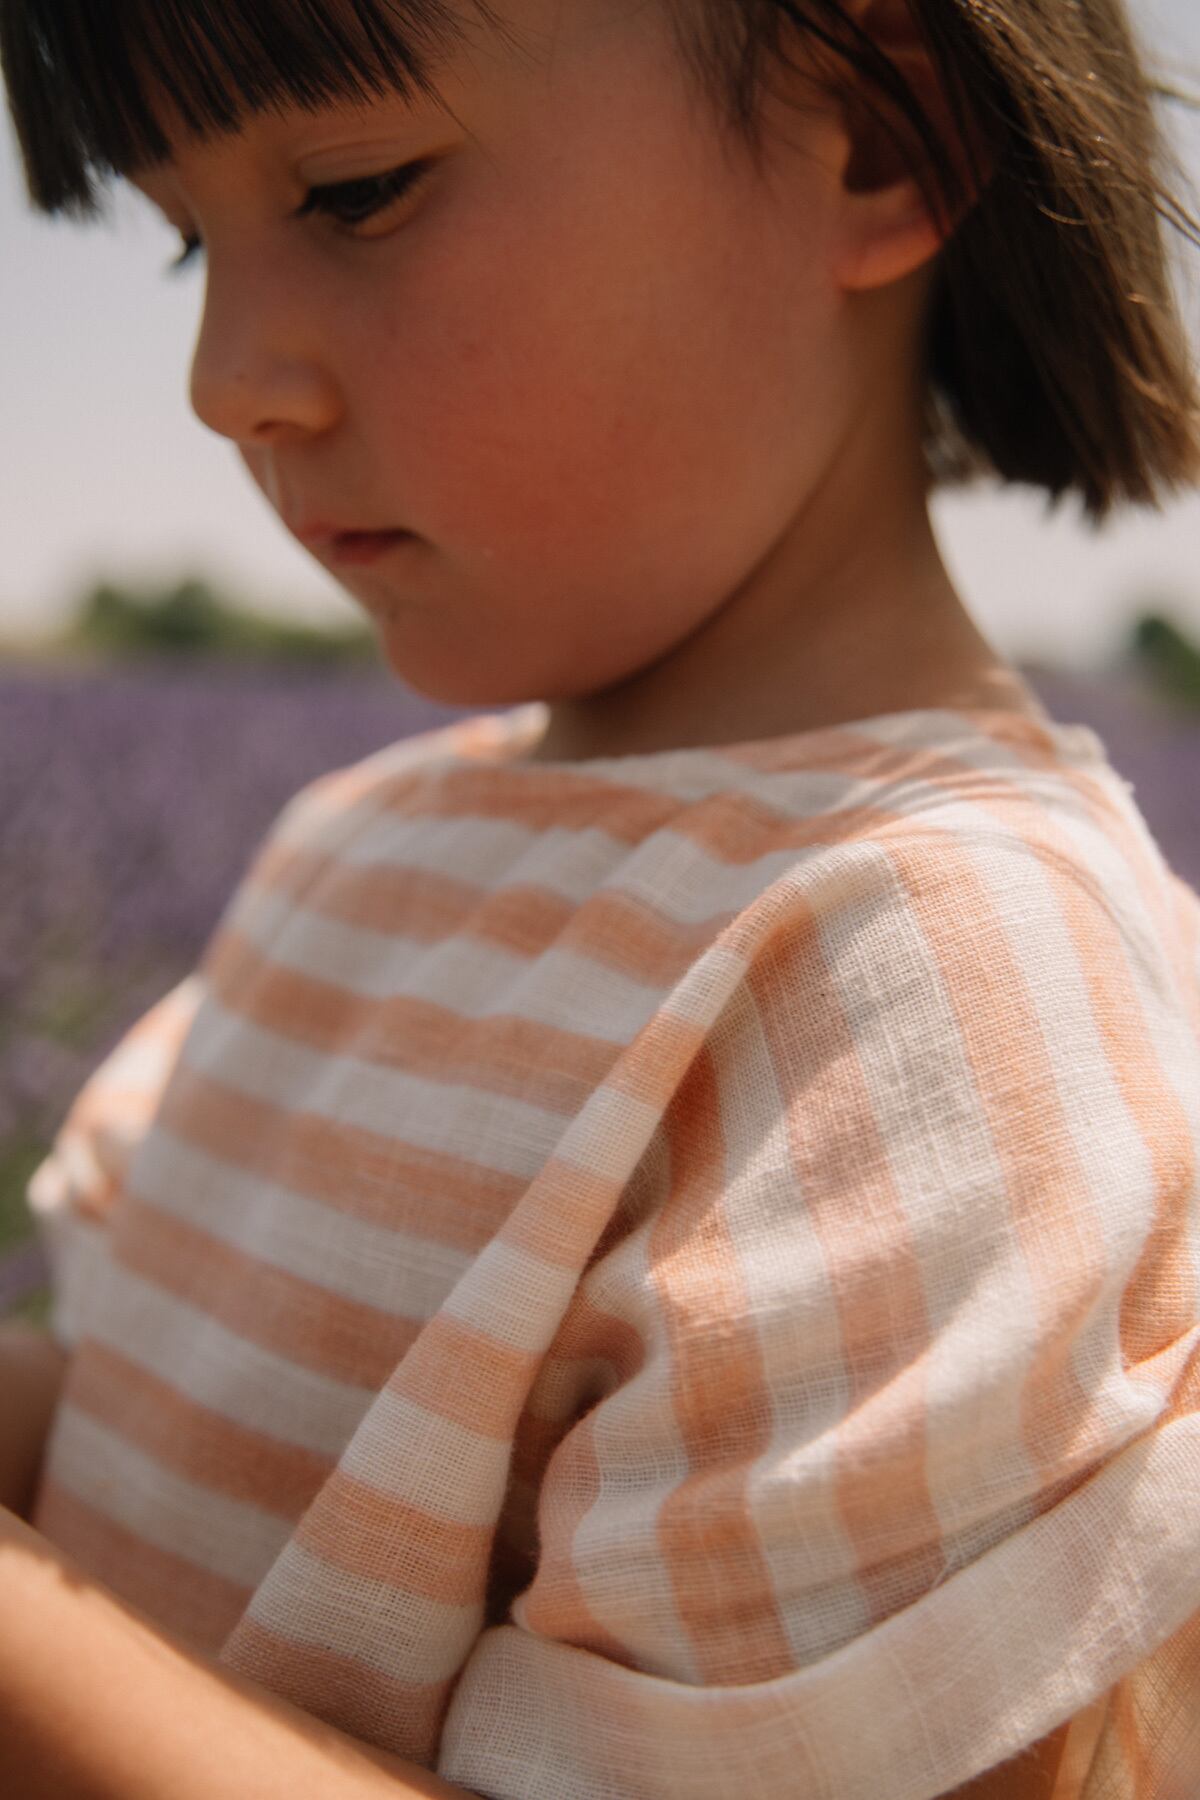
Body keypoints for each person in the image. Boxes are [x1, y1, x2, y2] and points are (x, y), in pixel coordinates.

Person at [1, 0, 1199, 1795]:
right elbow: (125, 1429)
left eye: (356, 189)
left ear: (874, 137)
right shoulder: (362, 844)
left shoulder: (929, 974)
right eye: (185, 236)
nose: (222, 374)